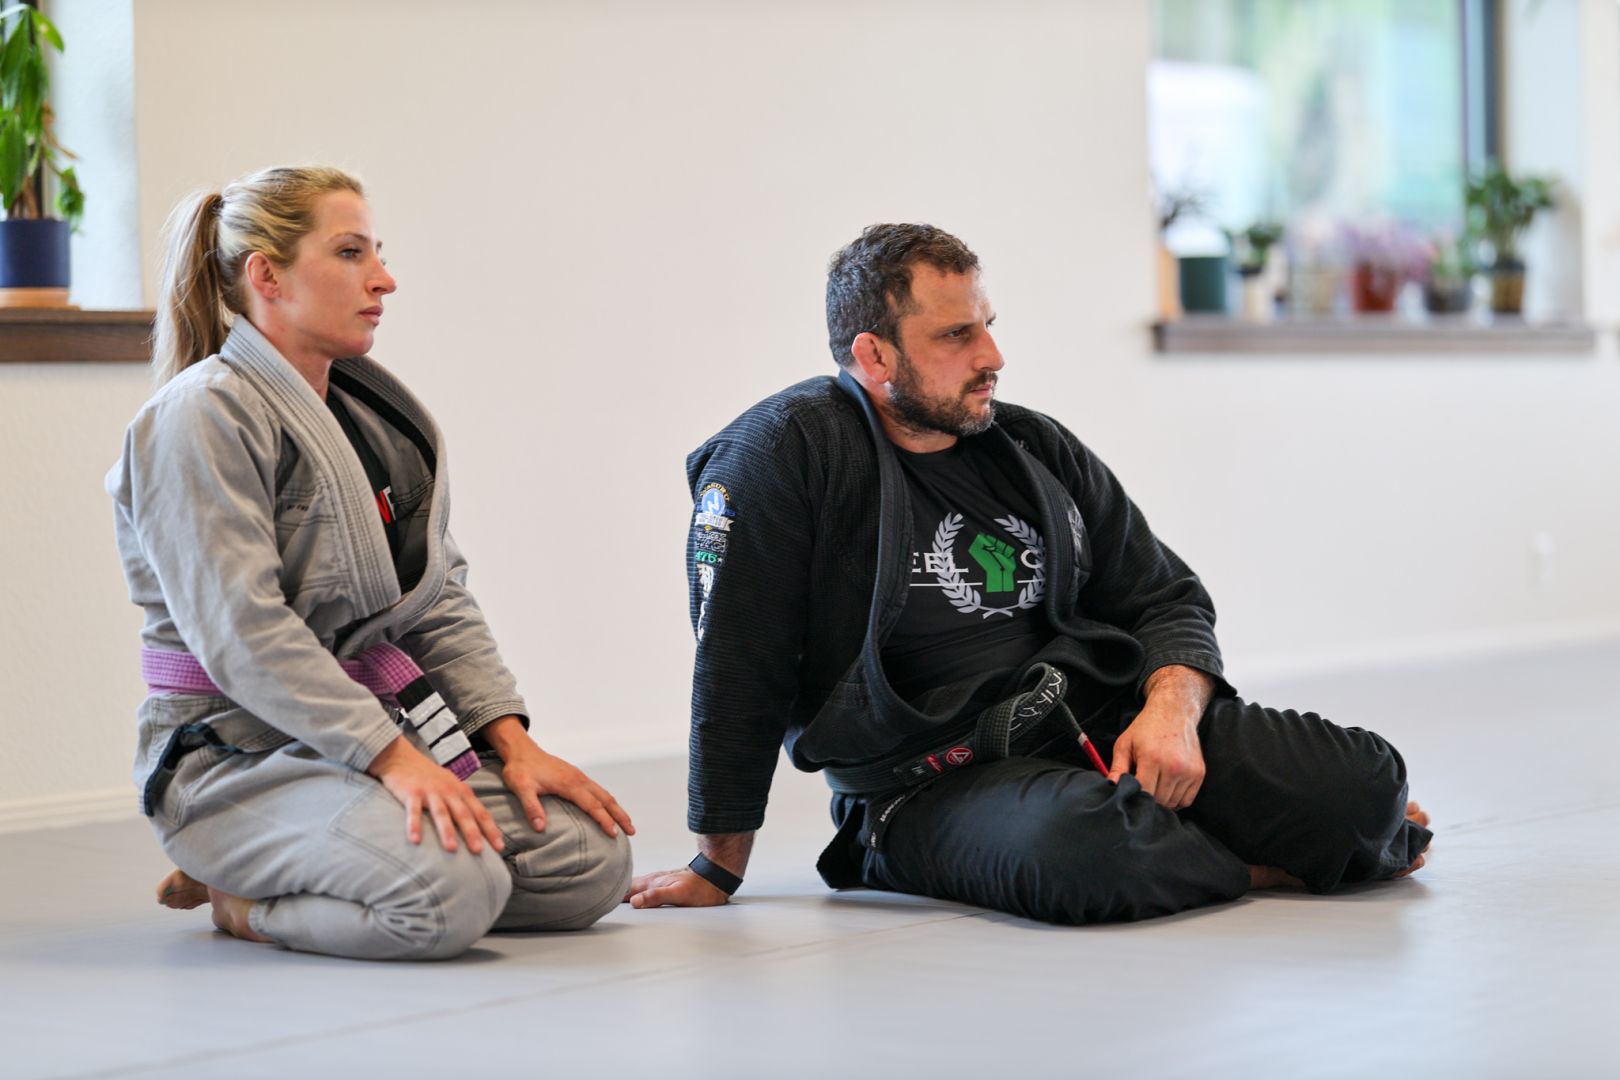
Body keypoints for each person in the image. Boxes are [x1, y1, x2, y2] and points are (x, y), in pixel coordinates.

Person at [627, 223, 1432, 923]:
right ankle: (1262, 864)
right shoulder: (781, 457)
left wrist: (1171, 712)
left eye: (987, 325)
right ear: (872, 355)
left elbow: (1163, 595)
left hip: (1098, 724)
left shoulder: (1031, 446)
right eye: (955, 337)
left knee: (1363, 782)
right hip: (932, 781)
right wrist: (716, 867)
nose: (992, 357)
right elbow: (738, 660)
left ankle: (1224, 838)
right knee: (1086, 851)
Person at [109, 166, 633, 960]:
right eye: (351, 253)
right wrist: (393, 759)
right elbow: (244, 633)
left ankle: (328, 859)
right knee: (453, 892)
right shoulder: (201, 417)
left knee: (586, 859)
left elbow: (436, 598)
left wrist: (513, 740)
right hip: (231, 757)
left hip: (359, 737)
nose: (383, 279)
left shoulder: (367, 417)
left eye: (376, 253)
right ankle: (237, 898)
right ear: (267, 276)